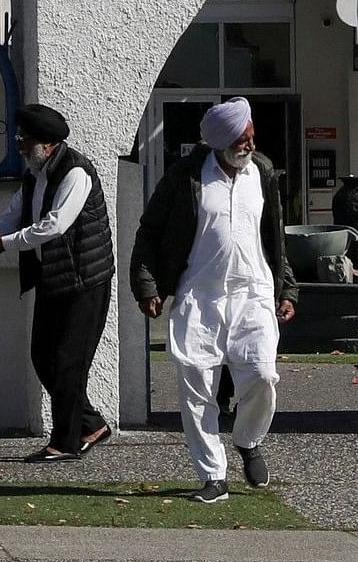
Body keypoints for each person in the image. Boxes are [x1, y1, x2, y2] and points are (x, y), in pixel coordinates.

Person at [129, 96, 294, 504]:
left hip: (253, 293)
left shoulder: (263, 173)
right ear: (221, 142)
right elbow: (149, 231)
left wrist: (287, 287)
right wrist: (148, 285)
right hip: (199, 297)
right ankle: (213, 475)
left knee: (263, 375)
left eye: (252, 137)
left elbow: (275, 238)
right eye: (242, 139)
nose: (250, 146)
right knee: (196, 386)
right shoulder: (186, 177)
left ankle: (247, 439)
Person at [0, 101, 115, 460]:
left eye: (24, 140)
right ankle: (91, 424)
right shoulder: (36, 175)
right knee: (43, 357)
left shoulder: (76, 173)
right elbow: (13, 215)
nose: (20, 146)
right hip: (53, 277)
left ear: (47, 144)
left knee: (70, 362)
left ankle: (65, 443)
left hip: (85, 280)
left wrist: (4, 245)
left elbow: (54, 225)